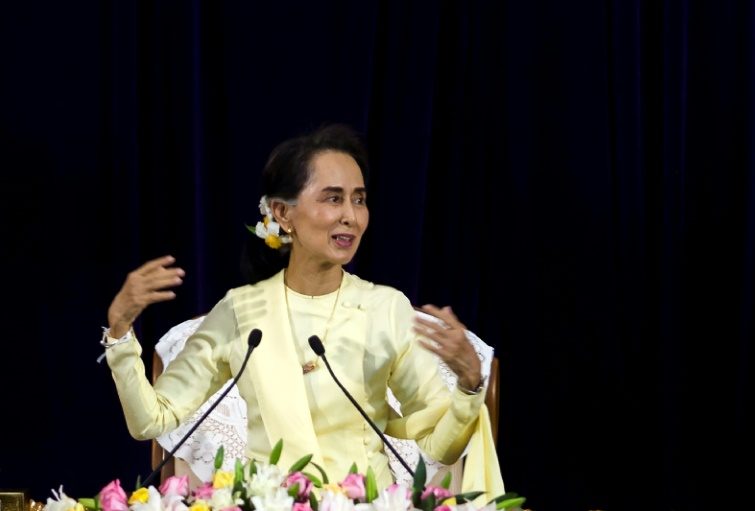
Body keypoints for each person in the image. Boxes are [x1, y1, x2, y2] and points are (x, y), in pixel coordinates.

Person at [102, 123, 504, 500]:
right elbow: (151, 421)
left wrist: (470, 386)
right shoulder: (242, 311)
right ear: (282, 213)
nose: (351, 216)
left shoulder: (386, 308)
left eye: (359, 199)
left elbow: (441, 447)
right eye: (333, 198)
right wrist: (120, 331)